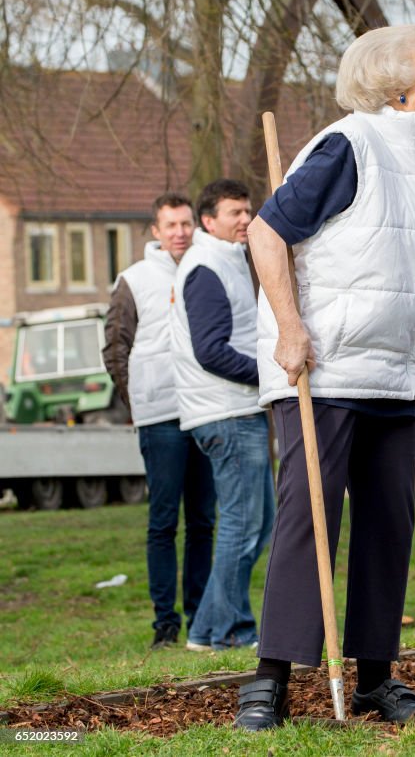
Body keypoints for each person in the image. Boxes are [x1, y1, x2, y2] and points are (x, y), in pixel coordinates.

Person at [232, 24, 415, 730]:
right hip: (325, 370)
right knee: (311, 516)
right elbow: (267, 233)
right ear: (396, 87)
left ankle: (375, 679)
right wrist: (291, 329)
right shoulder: (350, 144)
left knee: (391, 522)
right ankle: (269, 680)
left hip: (395, 372)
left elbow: (413, 270)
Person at [102, 193, 216, 649]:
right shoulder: (134, 280)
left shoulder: (210, 268)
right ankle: (165, 625)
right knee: (163, 521)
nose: (180, 232)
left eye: (186, 223)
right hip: (160, 418)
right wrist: (138, 402)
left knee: (205, 520)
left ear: (197, 225)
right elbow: (115, 347)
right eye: (170, 225)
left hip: (205, 410)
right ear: (155, 230)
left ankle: (202, 618)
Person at [170, 179, 275, 652]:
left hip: (235, 409)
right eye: (234, 212)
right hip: (225, 412)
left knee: (260, 523)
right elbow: (210, 351)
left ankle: (206, 631)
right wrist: (269, 372)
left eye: (248, 210)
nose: (245, 219)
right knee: (243, 524)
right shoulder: (207, 266)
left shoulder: (228, 261)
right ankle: (232, 632)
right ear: (208, 221)